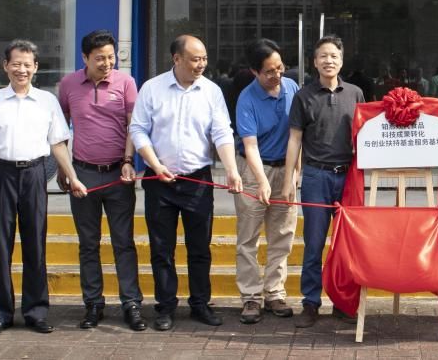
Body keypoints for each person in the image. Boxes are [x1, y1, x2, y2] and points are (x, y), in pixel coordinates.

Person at [0, 40, 87, 338]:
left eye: (27, 64)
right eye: (16, 64)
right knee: (0, 245)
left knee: (35, 243)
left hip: (34, 175)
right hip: (0, 175)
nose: (21, 69)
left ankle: (36, 312)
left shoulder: (47, 101)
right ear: (5, 66)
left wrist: (72, 177)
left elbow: (58, 144)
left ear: (35, 67)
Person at [129, 35, 243, 332]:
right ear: (177, 59)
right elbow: (138, 130)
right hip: (159, 181)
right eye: (195, 59)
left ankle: (200, 303)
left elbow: (222, 132)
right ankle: (165, 306)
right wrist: (155, 165)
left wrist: (231, 170)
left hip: (198, 180)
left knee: (200, 247)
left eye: (204, 58)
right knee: (161, 249)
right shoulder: (152, 88)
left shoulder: (212, 91)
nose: (201, 64)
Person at [57, 30, 146, 332]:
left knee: (124, 242)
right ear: (85, 58)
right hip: (82, 175)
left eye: (111, 57)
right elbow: (60, 130)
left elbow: (134, 125)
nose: (107, 63)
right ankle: (93, 303)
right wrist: (64, 170)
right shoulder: (68, 85)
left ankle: (131, 303)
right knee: (88, 244)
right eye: (99, 58)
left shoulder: (126, 83)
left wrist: (128, 160)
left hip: (118, 175)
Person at [280, 35, 364, 328]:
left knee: (346, 245)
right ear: (314, 62)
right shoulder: (303, 96)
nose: (329, 60)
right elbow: (294, 139)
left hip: (348, 176)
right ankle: (311, 303)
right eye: (323, 56)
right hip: (316, 176)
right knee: (314, 244)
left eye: (334, 56)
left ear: (342, 60)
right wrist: (290, 179)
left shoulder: (355, 94)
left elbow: (365, 136)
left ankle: (343, 302)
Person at [233, 38, 300, 325]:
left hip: (286, 168)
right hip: (253, 170)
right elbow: (250, 146)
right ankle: (250, 296)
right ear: (255, 71)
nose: (277, 75)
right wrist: (261, 181)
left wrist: (294, 175)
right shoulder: (247, 99)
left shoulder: (292, 88)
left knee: (282, 234)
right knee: (248, 237)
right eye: (269, 71)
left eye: (280, 67)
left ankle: (275, 293)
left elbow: (298, 135)